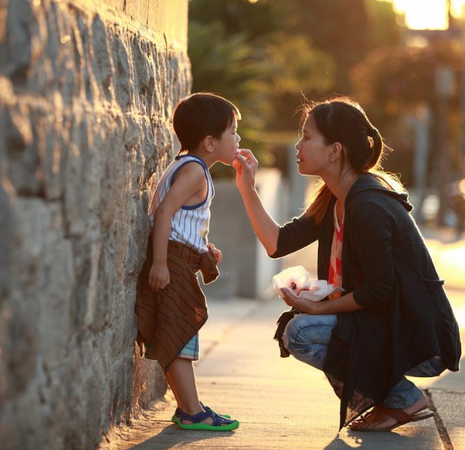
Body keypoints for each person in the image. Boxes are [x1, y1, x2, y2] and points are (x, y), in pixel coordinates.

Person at [233, 96, 461, 431]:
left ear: (335, 150)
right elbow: (277, 244)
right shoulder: (333, 199)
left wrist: (318, 309)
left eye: (307, 137)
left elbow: (381, 290)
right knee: (296, 327)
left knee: (300, 332)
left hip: (421, 338)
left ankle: (401, 397)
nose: (298, 146)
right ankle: (392, 398)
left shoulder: (368, 204)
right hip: (388, 324)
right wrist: (246, 187)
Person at [135, 93, 241, 431]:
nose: (238, 138)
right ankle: (192, 412)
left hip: (180, 257)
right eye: (233, 131)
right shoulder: (195, 171)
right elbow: (164, 212)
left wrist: (203, 249)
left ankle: (188, 407)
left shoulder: (189, 165)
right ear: (210, 142)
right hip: (172, 262)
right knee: (180, 336)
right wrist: (160, 264)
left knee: (176, 333)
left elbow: (181, 220)